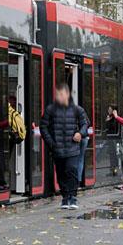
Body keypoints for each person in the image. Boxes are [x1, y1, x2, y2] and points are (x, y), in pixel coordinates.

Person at [40, 82, 89, 210]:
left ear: (67, 94)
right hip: (57, 149)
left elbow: (85, 124)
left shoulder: (78, 110)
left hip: (73, 148)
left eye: (61, 94)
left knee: (71, 170)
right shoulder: (50, 110)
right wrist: (51, 143)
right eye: (57, 95)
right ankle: (65, 197)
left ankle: (73, 197)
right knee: (61, 173)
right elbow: (43, 127)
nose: (59, 97)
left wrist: (80, 133)